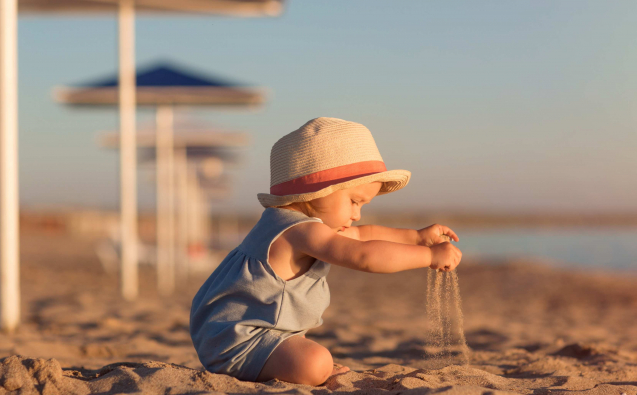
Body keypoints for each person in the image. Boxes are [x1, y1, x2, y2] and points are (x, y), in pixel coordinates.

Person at [189, 117, 463, 386]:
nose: (357, 214)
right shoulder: (299, 231)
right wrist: (429, 256)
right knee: (316, 362)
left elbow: (364, 235)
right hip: (241, 341)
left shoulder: (289, 222)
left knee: (311, 355)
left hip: (240, 333)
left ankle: (287, 356)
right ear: (317, 191)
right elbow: (363, 255)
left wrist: (415, 237)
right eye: (355, 201)